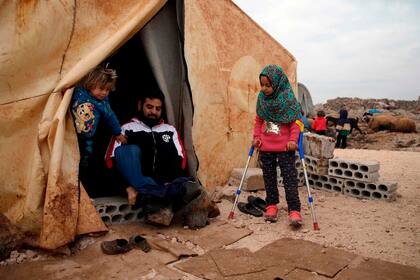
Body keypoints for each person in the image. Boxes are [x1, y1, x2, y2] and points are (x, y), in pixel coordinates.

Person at [105, 90, 216, 227]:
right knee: (129, 152)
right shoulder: (126, 129)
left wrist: (170, 181)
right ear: (140, 106)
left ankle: (187, 207)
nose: (154, 112)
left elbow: (180, 159)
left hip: (166, 184)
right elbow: (110, 161)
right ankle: (184, 205)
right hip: (142, 185)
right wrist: (126, 187)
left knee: (189, 185)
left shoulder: (169, 130)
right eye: (149, 107)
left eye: (158, 109)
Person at [252, 64, 303, 225]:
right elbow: (259, 120)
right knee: (269, 178)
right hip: (266, 147)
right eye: (262, 85)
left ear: (278, 83)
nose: (264, 89)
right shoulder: (262, 99)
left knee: (289, 179)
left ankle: (294, 209)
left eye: (268, 85)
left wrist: (293, 140)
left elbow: (296, 122)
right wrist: (257, 137)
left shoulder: (287, 98)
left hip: (285, 148)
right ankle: (271, 205)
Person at [71, 65, 127, 188]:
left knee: (86, 160)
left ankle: (84, 183)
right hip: (71, 136)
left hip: (88, 139)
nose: (104, 92)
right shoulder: (78, 92)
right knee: (71, 159)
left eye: (107, 89)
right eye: (101, 88)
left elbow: (110, 117)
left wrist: (118, 133)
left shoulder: (103, 103)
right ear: (91, 84)